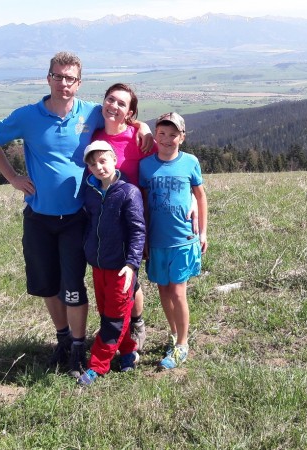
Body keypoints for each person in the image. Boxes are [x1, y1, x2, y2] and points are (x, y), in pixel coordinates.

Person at [0, 51, 152, 378]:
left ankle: (77, 347)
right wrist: (13, 178)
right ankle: (62, 339)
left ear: (79, 83)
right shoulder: (27, 116)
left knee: (73, 286)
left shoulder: (90, 112)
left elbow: (120, 117)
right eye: (58, 76)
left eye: (70, 78)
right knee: (48, 286)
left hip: (76, 217)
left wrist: (142, 126)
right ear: (48, 78)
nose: (63, 83)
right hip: (38, 217)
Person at [139, 112, 208, 370]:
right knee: (163, 291)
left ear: (182, 137)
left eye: (173, 134)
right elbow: (144, 204)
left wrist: (203, 232)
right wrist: (144, 237)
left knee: (178, 292)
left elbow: (200, 196)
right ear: (155, 135)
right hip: (157, 240)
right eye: (162, 133)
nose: (167, 139)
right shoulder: (145, 166)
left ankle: (182, 343)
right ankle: (174, 332)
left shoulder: (190, 162)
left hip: (183, 239)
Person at [76, 140, 146, 386]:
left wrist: (132, 264)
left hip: (121, 268)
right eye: (93, 164)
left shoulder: (129, 192)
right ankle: (127, 351)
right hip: (98, 264)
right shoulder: (90, 192)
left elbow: (137, 230)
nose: (99, 167)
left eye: (103, 161)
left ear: (114, 160)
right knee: (109, 312)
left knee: (115, 316)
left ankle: (98, 364)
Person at [92, 83, 154, 352]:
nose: (114, 106)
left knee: (130, 278)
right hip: (102, 221)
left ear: (130, 113)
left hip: (132, 221)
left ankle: (135, 324)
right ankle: (116, 326)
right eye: (110, 99)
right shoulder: (93, 135)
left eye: (121, 103)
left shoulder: (139, 139)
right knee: (109, 278)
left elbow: (165, 165)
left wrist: (192, 198)